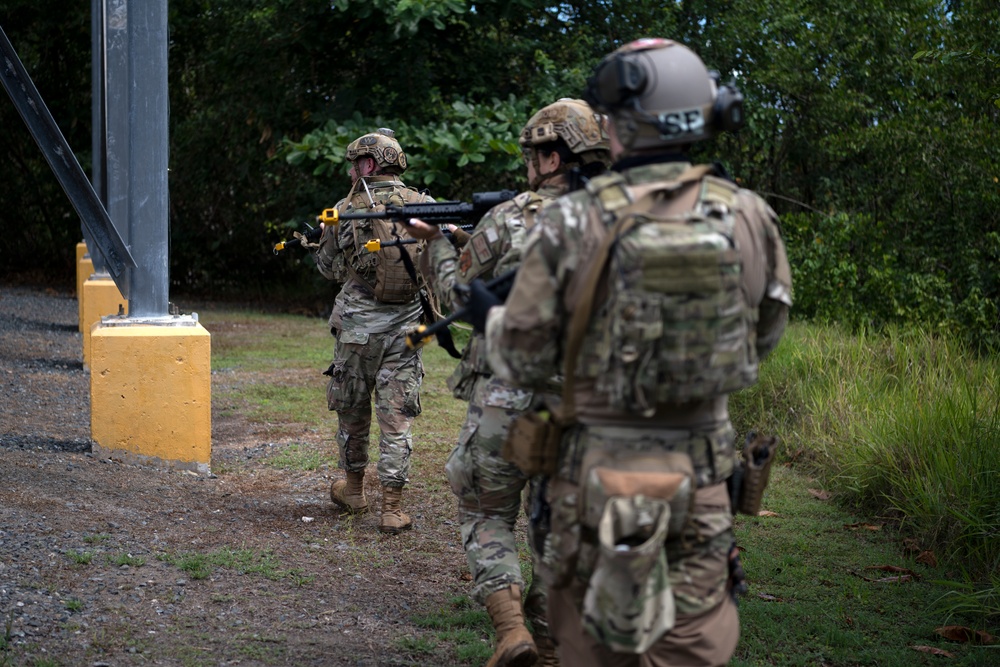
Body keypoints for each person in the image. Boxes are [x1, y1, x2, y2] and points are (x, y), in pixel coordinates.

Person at [469, 38, 793, 666]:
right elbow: (766, 335)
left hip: (593, 479)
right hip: (699, 476)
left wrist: (493, 318)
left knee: (591, 646)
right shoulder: (749, 216)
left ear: (618, 126)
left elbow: (525, 358)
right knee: (689, 647)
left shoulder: (572, 221)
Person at [405, 99, 611, 667]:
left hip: (507, 399)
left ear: (551, 156)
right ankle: (548, 641)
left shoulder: (512, 219)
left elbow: (459, 302)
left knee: (487, 511)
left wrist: (438, 244)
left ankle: (511, 630)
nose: (526, 165)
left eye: (531, 154)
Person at [310, 128, 432, 534]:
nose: (350, 172)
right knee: (396, 416)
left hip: (359, 326)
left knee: (354, 408)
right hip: (408, 325)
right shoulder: (425, 205)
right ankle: (393, 508)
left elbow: (328, 270)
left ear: (367, 165)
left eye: (353, 164)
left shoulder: (347, 208)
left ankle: (355, 490)